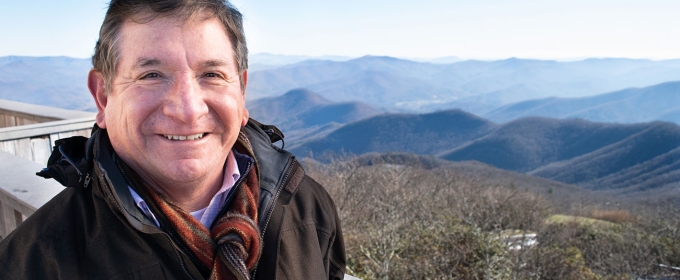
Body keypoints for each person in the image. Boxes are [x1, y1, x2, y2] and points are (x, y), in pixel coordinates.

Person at [0, 0, 345, 279]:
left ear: (241, 92)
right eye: (151, 75)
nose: (187, 109)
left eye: (211, 74)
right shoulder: (34, 261)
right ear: (103, 97)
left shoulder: (305, 205)